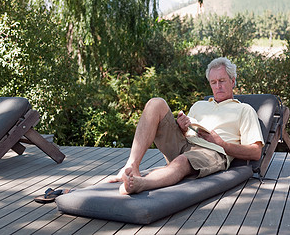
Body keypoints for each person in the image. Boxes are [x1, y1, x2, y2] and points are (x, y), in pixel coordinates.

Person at [107, 57, 264, 195]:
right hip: (186, 144)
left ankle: (141, 184)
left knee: (183, 160)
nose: (218, 86)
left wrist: (221, 143)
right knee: (156, 103)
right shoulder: (199, 105)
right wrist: (182, 128)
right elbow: (185, 136)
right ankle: (131, 166)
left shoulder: (244, 110)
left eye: (222, 81)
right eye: (213, 82)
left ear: (233, 81)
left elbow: (256, 152)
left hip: (213, 151)